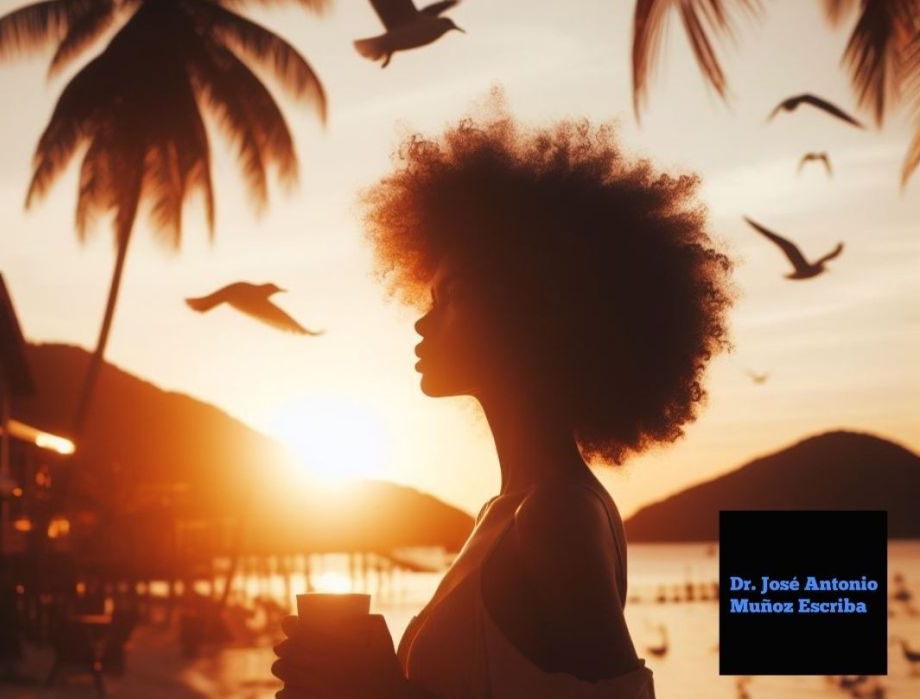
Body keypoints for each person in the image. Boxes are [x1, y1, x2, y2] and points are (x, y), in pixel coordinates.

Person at [271, 94, 734, 698]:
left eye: (452, 296)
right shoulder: (509, 511)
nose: (422, 323)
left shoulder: (556, 515)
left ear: (534, 312)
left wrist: (383, 690)